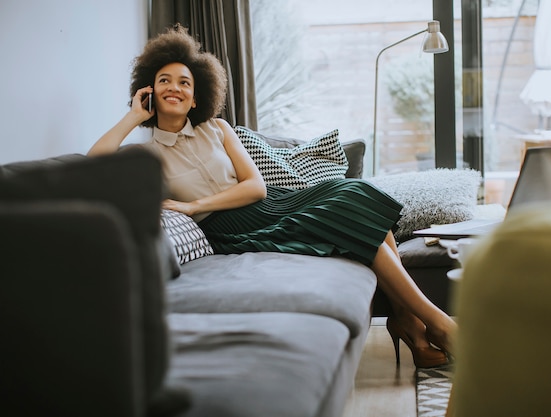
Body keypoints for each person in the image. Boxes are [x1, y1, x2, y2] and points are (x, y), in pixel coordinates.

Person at [88, 25, 456, 368]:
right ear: (148, 91)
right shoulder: (148, 154)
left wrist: (193, 205)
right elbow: (92, 164)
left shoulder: (218, 128)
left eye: (184, 81)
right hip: (228, 227)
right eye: (164, 81)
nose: (175, 87)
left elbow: (255, 186)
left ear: (196, 93)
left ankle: (410, 322)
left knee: (355, 193)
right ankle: (432, 323)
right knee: (354, 222)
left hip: (269, 203)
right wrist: (134, 117)